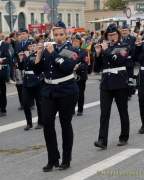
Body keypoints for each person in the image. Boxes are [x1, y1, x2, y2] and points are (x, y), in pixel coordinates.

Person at [34, 21, 79, 172]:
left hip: (66, 90)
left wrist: (53, 53)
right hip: (48, 90)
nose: (58, 37)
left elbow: (66, 68)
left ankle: (66, 159)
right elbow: (37, 70)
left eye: (61, 34)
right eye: (56, 34)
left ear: (66, 35)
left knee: (65, 124)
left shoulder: (71, 49)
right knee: (47, 124)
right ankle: (52, 158)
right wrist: (39, 53)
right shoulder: (47, 49)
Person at [94, 24, 131, 149]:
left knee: (122, 111)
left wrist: (105, 51)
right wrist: (98, 54)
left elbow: (118, 60)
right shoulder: (105, 47)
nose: (112, 37)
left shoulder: (124, 46)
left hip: (120, 82)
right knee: (104, 112)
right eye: (109, 35)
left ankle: (124, 136)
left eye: (114, 34)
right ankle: (102, 140)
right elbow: (96, 69)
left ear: (118, 35)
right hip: (106, 83)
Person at [18, 42, 43, 131]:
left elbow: (36, 65)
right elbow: (21, 68)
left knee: (39, 103)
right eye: (30, 46)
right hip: (26, 81)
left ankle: (40, 122)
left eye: (33, 46)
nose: (31, 47)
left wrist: (35, 54)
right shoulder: (26, 55)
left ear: (36, 47)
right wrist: (21, 59)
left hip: (36, 80)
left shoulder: (39, 55)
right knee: (25, 103)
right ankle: (29, 123)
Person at [72, 34, 88, 116]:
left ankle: (80, 109)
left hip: (81, 75)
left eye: (76, 41)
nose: (74, 43)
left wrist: (78, 66)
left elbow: (86, 63)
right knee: (72, 93)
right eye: (73, 41)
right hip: (71, 75)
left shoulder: (84, 51)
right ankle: (72, 109)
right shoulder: (70, 51)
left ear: (80, 42)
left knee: (80, 93)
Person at [134, 35, 144, 134]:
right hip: (142, 75)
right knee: (142, 100)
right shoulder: (141, 45)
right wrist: (137, 47)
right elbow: (136, 59)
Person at [0, 33, 11, 117]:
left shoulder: (5, 45)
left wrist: (1, 60)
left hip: (1, 71)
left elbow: (8, 58)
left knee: (2, 91)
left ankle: (3, 109)